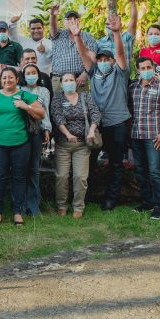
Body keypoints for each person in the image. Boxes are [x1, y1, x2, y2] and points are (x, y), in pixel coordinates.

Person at [77, 13, 130, 211]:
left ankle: (111, 198)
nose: (104, 61)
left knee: (116, 163)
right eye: (101, 58)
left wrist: (116, 32)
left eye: (107, 59)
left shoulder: (120, 71)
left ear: (113, 61)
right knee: (90, 160)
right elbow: (84, 55)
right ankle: (88, 193)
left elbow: (121, 55)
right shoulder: (94, 72)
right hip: (96, 125)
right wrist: (77, 37)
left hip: (117, 124)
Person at [0, 66, 45, 226]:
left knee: (19, 178)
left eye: (10, 77)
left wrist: (26, 107)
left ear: (17, 79)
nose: (7, 80)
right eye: (4, 78)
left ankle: (18, 213)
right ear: (0, 80)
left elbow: (41, 113)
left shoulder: (24, 95)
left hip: (21, 144)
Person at [50, 72, 101, 218]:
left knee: (80, 177)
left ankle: (78, 206)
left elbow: (95, 114)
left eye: (71, 80)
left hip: (82, 145)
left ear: (76, 82)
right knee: (62, 176)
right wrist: (67, 134)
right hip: (63, 144)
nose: (69, 82)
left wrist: (91, 130)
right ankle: (62, 205)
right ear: (61, 83)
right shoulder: (58, 98)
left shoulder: (85, 97)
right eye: (65, 80)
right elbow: (57, 117)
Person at [131, 57, 160, 220]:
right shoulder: (133, 88)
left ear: (154, 68)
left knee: (154, 171)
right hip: (136, 134)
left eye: (149, 67)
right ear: (138, 71)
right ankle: (147, 202)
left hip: (154, 136)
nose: (146, 70)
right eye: (142, 68)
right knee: (140, 170)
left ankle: (159, 206)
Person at [20, 62, 51, 217]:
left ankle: (33, 206)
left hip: (37, 131)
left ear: (38, 75)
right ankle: (21, 205)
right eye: (28, 73)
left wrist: (47, 129)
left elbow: (45, 111)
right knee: (21, 168)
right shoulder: (19, 90)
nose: (31, 75)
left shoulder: (44, 91)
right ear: (23, 76)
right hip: (20, 132)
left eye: (34, 72)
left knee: (34, 168)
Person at [48, 6, 97, 92]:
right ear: (64, 22)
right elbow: (53, 27)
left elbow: (93, 58)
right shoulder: (58, 34)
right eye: (69, 19)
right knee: (57, 104)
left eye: (75, 18)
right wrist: (53, 15)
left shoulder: (88, 37)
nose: (73, 21)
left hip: (79, 80)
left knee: (81, 104)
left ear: (79, 21)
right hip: (59, 80)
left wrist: (85, 74)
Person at [97, 0, 139, 78]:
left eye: (114, 22)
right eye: (108, 23)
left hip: (123, 79)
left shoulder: (127, 38)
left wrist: (132, 2)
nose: (111, 26)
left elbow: (133, 20)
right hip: (107, 79)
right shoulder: (100, 42)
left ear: (120, 24)